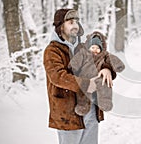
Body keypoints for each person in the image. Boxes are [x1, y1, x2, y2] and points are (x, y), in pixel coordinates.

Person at [43, 9, 114, 144]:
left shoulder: (82, 47)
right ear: (60, 27)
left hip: (91, 109)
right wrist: (86, 84)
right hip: (67, 113)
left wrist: (107, 69)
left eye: (76, 22)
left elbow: (101, 58)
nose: (75, 25)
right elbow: (58, 76)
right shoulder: (52, 51)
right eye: (70, 22)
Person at [69, 31, 125, 116]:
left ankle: (105, 102)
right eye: (93, 47)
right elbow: (76, 61)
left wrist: (118, 66)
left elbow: (112, 59)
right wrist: (73, 66)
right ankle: (82, 106)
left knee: (105, 83)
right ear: (89, 47)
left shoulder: (104, 55)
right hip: (85, 78)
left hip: (98, 77)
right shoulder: (84, 53)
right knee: (83, 91)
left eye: (98, 48)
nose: (95, 50)